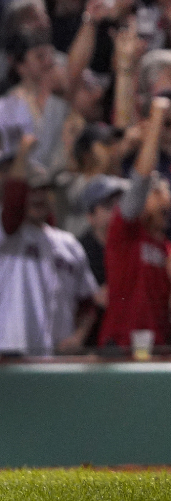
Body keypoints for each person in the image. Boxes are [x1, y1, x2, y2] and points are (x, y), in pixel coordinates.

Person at [97, 97, 171, 351]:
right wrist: (156, 124)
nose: (165, 196)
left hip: (158, 351)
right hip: (119, 346)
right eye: (157, 192)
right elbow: (140, 180)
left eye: (166, 191)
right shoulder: (124, 232)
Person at [0, 136, 98, 356]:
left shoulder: (69, 243)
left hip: (55, 358)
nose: (38, 196)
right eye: (32, 190)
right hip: (10, 350)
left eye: (43, 190)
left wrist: (78, 337)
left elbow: (87, 304)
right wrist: (23, 150)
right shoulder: (8, 233)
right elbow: (13, 206)